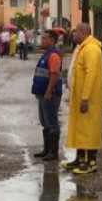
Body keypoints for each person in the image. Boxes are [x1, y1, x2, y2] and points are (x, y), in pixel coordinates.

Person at [63, 23, 102, 175]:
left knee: (88, 129)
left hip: (88, 98)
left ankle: (90, 161)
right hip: (79, 96)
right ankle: (80, 159)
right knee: (80, 128)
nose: (72, 36)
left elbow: (90, 75)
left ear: (82, 33)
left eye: (75, 33)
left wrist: (85, 97)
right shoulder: (82, 48)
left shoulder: (92, 49)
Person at [31, 29, 63, 162]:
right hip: (42, 94)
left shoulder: (54, 55)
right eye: (42, 38)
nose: (42, 40)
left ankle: (53, 152)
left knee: (51, 122)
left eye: (45, 38)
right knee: (45, 122)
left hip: (50, 94)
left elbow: (54, 74)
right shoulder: (46, 54)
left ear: (52, 40)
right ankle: (47, 149)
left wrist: (49, 90)